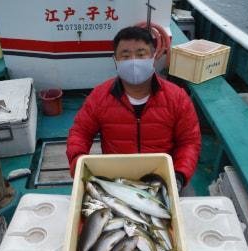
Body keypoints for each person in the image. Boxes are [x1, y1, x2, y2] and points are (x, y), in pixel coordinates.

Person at [66, 26, 201, 194]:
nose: (133, 60)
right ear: (115, 60)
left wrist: (179, 175)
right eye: (125, 55)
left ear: (153, 56)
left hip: (163, 178)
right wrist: (78, 163)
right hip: (117, 179)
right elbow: (80, 133)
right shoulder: (99, 97)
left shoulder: (177, 98)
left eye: (141, 53)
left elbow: (189, 142)